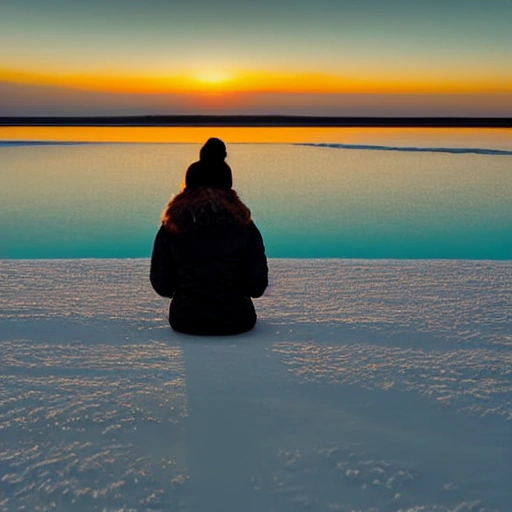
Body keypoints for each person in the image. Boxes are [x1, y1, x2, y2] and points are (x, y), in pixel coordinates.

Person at [150, 138, 268, 335]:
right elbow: (256, 286)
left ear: (187, 188)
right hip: (237, 320)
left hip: (186, 320)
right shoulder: (244, 224)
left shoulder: (173, 225)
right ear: (229, 189)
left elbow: (162, 285)